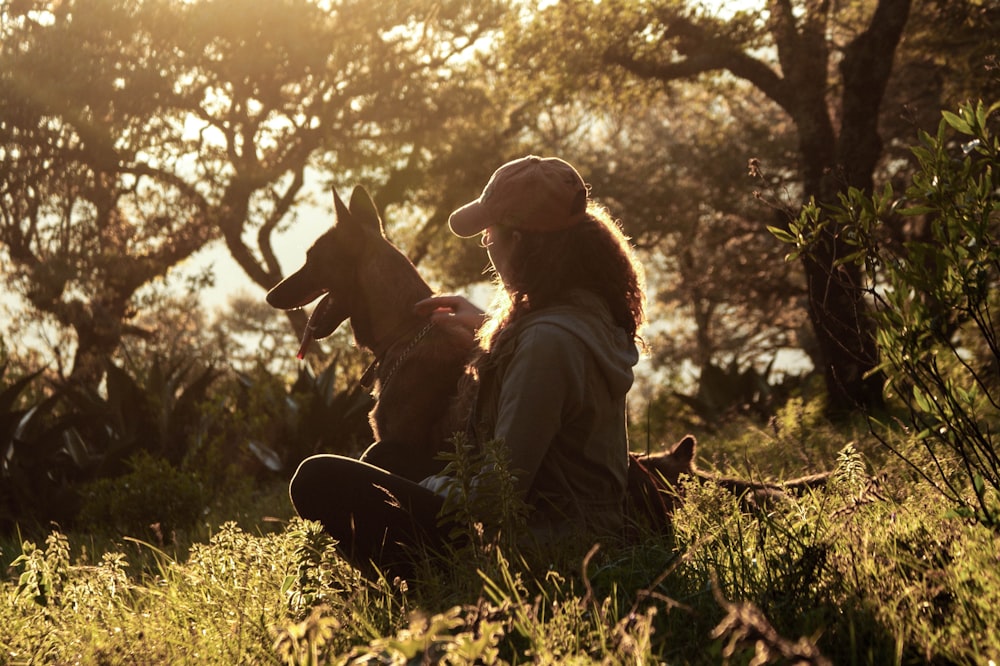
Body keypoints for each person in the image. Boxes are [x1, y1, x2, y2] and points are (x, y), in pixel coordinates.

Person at [288, 155, 646, 578]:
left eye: (489, 236)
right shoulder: (582, 312)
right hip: (574, 521)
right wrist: (487, 326)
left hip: (553, 547)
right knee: (390, 455)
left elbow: (497, 496)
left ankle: (435, 589)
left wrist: (420, 491)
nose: (488, 247)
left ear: (519, 241)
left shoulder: (546, 347)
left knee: (317, 479)